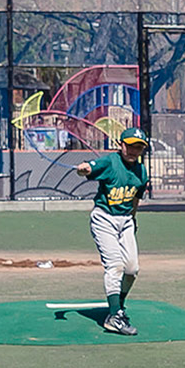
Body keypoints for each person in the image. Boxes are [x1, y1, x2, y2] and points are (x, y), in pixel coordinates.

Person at [73, 126, 150, 335]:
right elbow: (89, 168)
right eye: (130, 146)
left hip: (126, 221)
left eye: (139, 147)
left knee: (132, 270)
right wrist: (83, 169)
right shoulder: (110, 162)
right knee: (115, 265)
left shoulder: (141, 171)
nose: (134, 151)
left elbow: (135, 199)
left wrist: (133, 220)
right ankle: (114, 317)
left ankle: (118, 305)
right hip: (104, 218)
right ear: (121, 145)